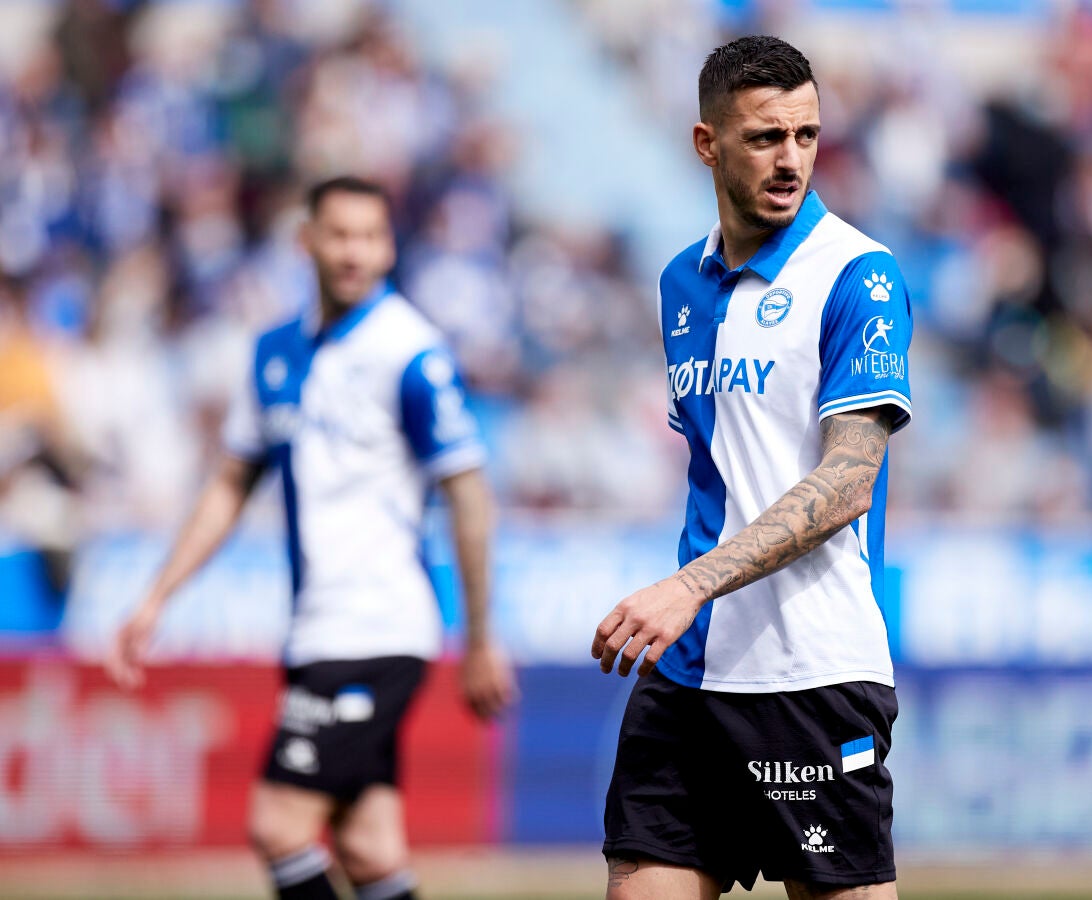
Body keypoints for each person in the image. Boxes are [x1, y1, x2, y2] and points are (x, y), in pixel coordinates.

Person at [105, 176, 517, 900]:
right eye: (340, 235)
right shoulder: (274, 354)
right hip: (314, 628)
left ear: (389, 248)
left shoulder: (409, 352)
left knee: (279, 825)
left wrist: (480, 636)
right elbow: (230, 484)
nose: (355, 252)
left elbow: (468, 493)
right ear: (307, 242)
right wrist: (156, 598)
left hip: (375, 626)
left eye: (371, 237)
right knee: (368, 849)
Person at [592, 35, 913, 900]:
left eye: (806, 136)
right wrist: (689, 600)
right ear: (707, 144)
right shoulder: (680, 284)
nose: (791, 159)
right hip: (688, 674)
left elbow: (847, 484)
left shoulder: (858, 277)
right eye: (766, 137)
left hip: (811, 673)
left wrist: (689, 585)